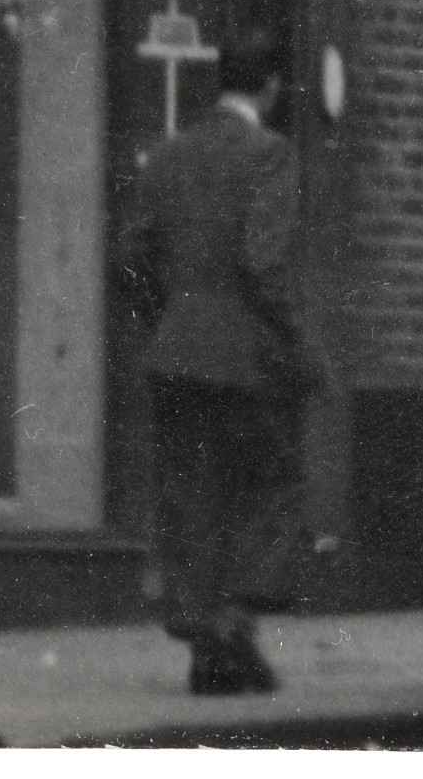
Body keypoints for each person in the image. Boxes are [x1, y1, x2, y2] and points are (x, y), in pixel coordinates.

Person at [112, 39, 310, 699]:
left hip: (175, 351)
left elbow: (131, 255)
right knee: (270, 483)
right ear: (272, 88)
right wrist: (294, 347)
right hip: (246, 355)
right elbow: (265, 265)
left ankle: (206, 641)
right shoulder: (272, 155)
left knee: (191, 493)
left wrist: (170, 317)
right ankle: (234, 624)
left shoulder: (169, 153)